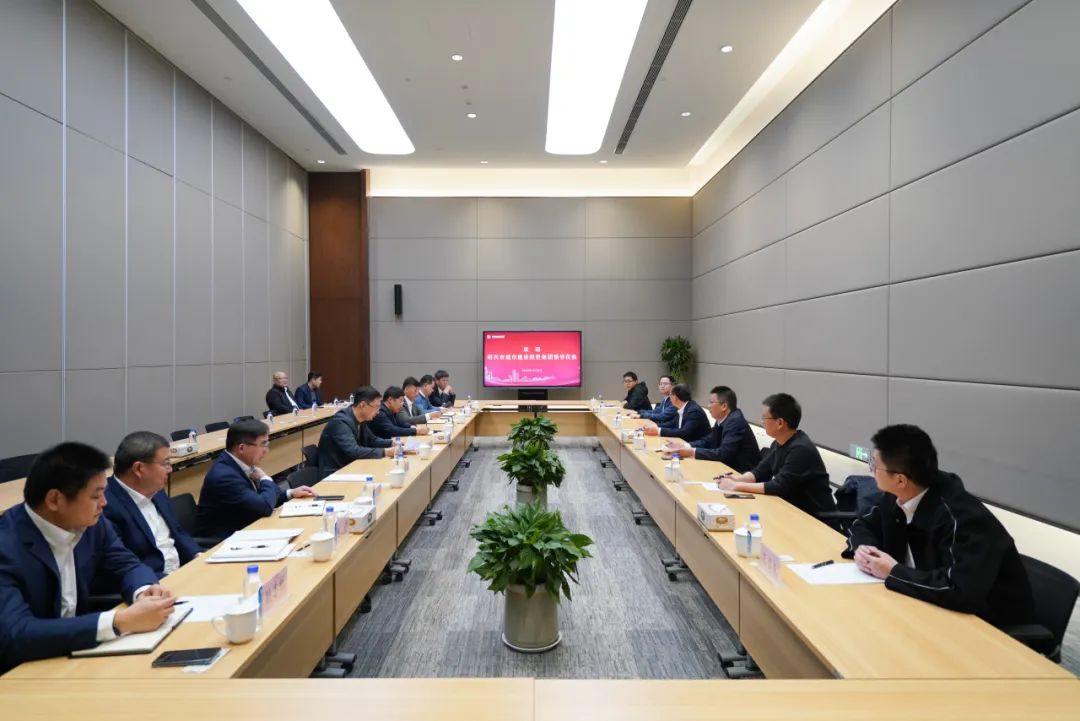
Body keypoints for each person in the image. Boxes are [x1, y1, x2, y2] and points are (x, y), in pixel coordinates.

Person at [0, 442, 175, 673]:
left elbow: (126, 563)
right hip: (21, 671)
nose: (104, 503)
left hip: (77, 655)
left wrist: (144, 591)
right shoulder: (7, 546)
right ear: (54, 500)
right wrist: (118, 621)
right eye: (96, 496)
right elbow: (15, 633)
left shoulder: (91, 523)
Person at [843, 424, 1035, 627]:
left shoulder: (964, 520)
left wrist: (893, 572)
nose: (871, 470)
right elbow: (863, 524)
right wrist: (865, 550)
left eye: (874, 465)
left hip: (987, 627)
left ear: (900, 480)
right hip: (923, 606)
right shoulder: (899, 495)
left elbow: (959, 590)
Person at [716, 393, 836, 519]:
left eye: (764, 418)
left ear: (780, 423)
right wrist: (736, 480)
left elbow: (779, 486)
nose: (762, 422)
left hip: (815, 519)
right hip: (790, 511)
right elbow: (759, 472)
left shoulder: (801, 449)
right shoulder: (778, 443)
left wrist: (736, 486)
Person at [103, 432, 201, 579]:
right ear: (139, 469)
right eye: (165, 463)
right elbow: (121, 565)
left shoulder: (155, 489)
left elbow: (177, 531)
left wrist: (197, 555)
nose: (170, 469)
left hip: (183, 572)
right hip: (154, 582)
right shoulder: (105, 506)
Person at [196, 420, 315, 539]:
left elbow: (263, 498)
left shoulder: (239, 463)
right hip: (225, 541)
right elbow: (264, 507)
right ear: (241, 448)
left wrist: (291, 493)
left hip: (247, 527)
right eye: (263, 444)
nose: (266, 450)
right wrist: (265, 478)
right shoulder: (224, 476)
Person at [664, 386, 761, 472]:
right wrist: (685, 446)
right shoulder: (723, 418)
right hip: (726, 467)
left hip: (741, 472)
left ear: (724, 406)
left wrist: (691, 451)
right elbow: (709, 440)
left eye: (711, 402)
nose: (708, 406)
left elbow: (723, 453)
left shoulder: (735, 422)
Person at [317, 386, 397, 479]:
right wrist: (385, 452)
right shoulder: (341, 422)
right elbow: (353, 451)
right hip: (335, 472)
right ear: (362, 405)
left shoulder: (360, 419)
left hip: (350, 466)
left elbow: (372, 440)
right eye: (376, 407)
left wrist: (393, 443)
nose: (378, 412)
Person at [643, 384, 709, 442]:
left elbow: (684, 432)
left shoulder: (694, 411)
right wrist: (655, 426)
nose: (669, 398)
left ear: (674, 397)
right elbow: (672, 424)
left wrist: (658, 431)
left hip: (695, 446)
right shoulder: (683, 407)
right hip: (681, 442)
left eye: (670, 395)